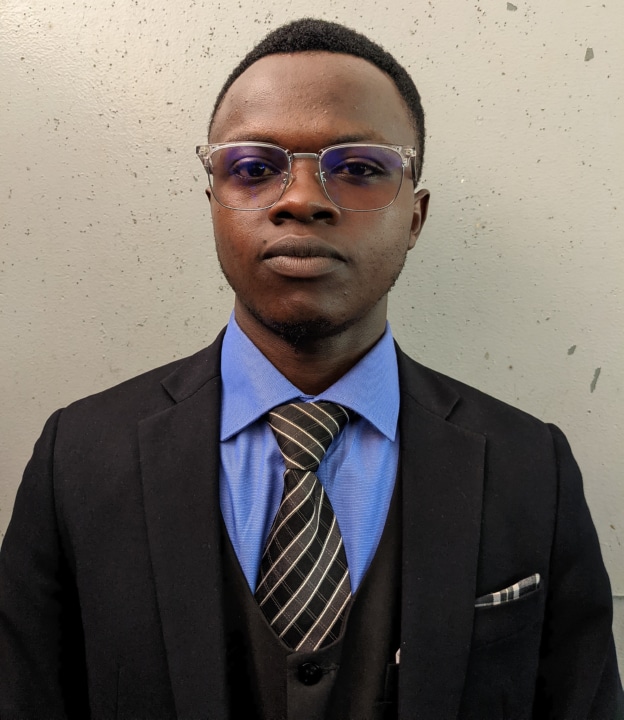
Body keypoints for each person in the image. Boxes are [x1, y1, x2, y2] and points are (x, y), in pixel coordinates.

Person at [0, 17, 621, 720]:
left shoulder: (530, 467)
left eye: (358, 168)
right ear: (214, 205)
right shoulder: (78, 458)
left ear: (415, 219)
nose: (301, 199)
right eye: (253, 168)